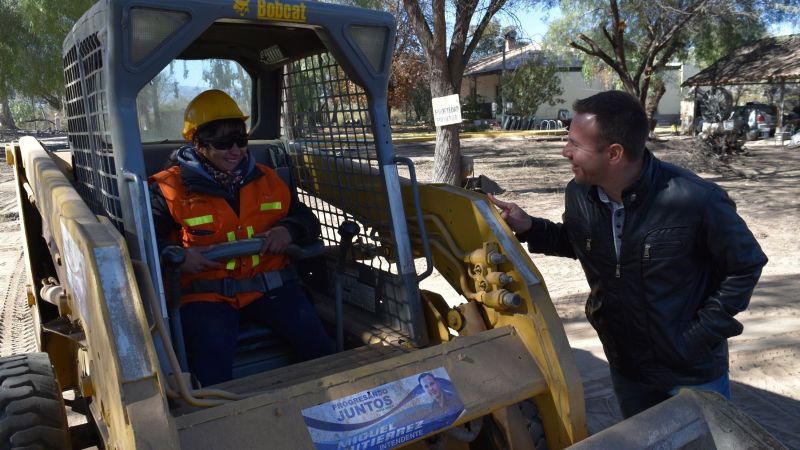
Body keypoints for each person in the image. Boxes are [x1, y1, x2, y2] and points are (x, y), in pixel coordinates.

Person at [488, 90, 767, 418]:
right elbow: (581, 242)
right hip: (627, 368)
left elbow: (745, 266)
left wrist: (696, 337)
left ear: (614, 153)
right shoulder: (578, 195)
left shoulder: (697, 200)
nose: (566, 152)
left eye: (575, 144)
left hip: (691, 373)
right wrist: (529, 226)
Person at [149, 89, 333, 386]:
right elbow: (147, 243)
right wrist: (178, 257)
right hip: (206, 294)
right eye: (223, 142)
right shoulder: (168, 188)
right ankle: (217, 422)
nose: (235, 150)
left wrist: (289, 229)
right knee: (212, 352)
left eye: (241, 140)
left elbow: (306, 219)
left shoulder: (267, 178)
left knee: (315, 337)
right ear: (197, 143)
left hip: (268, 285)